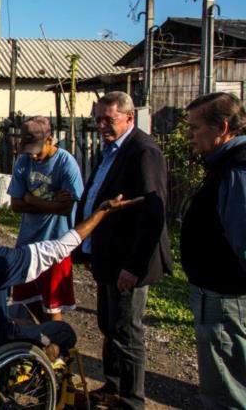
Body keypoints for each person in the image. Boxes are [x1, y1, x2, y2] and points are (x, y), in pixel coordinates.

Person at [0, 189, 139, 357]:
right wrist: (101, 213)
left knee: (19, 310)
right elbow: (59, 248)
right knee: (63, 331)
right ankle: (46, 374)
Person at [76, 91, 171, 410]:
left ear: (130, 118)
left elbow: (153, 214)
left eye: (109, 119)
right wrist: (86, 249)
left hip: (127, 261)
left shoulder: (143, 151)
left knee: (127, 331)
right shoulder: (109, 150)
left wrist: (134, 266)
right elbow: (96, 197)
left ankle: (131, 400)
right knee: (108, 324)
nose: (101, 125)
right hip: (106, 255)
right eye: (97, 119)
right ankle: (113, 385)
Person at [181, 92, 246, 409]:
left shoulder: (237, 170)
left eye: (195, 128)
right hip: (219, 297)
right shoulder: (224, 165)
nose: (190, 135)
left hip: (227, 299)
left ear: (221, 127)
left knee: (226, 391)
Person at [8, 116, 83, 323]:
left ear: (50, 140)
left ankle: (58, 348)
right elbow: (15, 204)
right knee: (25, 301)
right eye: (28, 149)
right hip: (28, 243)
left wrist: (31, 198)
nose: (32, 156)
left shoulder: (66, 163)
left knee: (53, 305)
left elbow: (66, 209)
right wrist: (51, 202)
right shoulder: (23, 161)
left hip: (56, 244)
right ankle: (37, 343)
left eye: (36, 149)